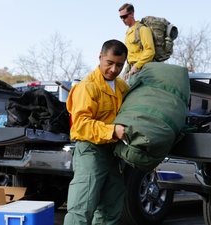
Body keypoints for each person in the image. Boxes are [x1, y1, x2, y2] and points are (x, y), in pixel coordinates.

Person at [63, 39, 130, 225]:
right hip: (90, 150)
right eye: (109, 63)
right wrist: (112, 130)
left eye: (119, 65)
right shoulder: (87, 87)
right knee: (82, 207)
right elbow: (82, 125)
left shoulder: (122, 87)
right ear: (100, 57)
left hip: (112, 152)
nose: (114, 69)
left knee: (111, 205)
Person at [119, 3, 155, 82]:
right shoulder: (128, 33)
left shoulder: (143, 29)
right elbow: (130, 54)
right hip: (132, 72)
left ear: (132, 14)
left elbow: (150, 50)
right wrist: (127, 69)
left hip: (143, 70)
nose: (122, 19)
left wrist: (137, 66)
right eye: (121, 17)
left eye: (124, 16)